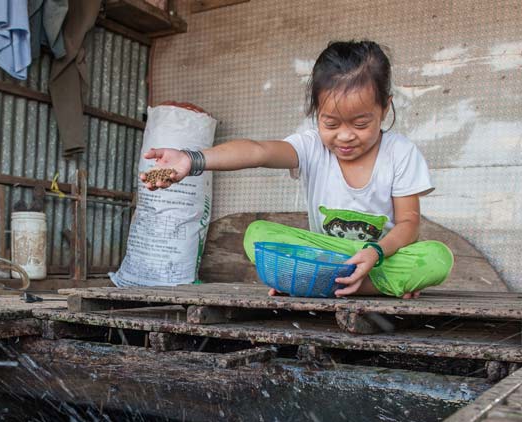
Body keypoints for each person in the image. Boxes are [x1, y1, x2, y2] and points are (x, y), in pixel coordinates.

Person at [140, 40, 453, 299]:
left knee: (438, 258)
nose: (344, 136)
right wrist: (192, 160)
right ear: (316, 112)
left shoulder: (400, 152)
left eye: (360, 123)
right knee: (258, 235)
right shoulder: (311, 146)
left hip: (378, 256)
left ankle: (318, 283)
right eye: (331, 123)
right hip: (326, 256)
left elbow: (409, 224)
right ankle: (360, 286)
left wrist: (375, 254)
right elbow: (257, 151)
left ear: (385, 107)